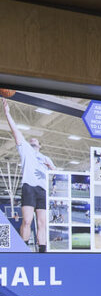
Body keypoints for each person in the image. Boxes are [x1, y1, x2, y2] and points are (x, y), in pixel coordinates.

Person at [3, 102, 53, 252]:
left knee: (42, 223)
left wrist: (52, 170)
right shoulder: (25, 149)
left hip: (43, 190)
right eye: (31, 139)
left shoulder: (46, 158)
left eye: (35, 140)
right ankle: (23, 251)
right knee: (27, 220)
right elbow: (16, 131)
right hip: (29, 187)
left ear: (40, 145)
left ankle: (42, 253)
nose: (32, 140)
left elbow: (55, 175)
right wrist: (7, 113)